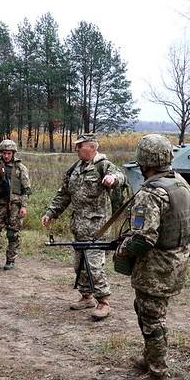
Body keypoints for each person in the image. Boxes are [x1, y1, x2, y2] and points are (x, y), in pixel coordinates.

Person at [114, 134, 190, 380]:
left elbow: (143, 239)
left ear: (144, 161)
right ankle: (151, 358)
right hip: (175, 261)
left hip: (155, 266)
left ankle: (159, 376)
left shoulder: (151, 193)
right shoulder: (181, 184)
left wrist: (122, 249)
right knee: (148, 312)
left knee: (152, 318)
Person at [42, 133, 126, 320]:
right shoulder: (75, 169)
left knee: (94, 266)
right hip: (79, 227)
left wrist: (112, 179)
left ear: (92, 147)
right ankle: (86, 296)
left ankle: (103, 301)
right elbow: (64, 194)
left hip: (97, 228)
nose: (76, 149)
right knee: (79, 264)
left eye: (80, 146)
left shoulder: (103, 165)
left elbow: (120, 175)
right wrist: (51, 213)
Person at [0, 139, 31, 271]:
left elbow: (26, 189)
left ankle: (10, 260)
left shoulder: (20, 168)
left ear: (13, 153)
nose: (6, 156)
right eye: (4, 153)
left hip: (15, 206)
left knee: (13, 234)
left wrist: (23, 206)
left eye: (9, 153)